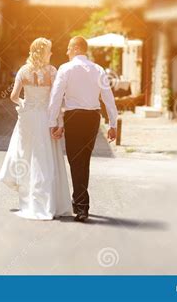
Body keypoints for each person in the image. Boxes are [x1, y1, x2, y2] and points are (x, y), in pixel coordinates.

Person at [0, 37, 72, 220]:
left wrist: (25, 103)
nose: (52, 53)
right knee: (45, 157)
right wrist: (59, 120)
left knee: (27, 156)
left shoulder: (23, 71)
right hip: (46, 117)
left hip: (28, 118)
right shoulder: (52, 72)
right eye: (49, 50)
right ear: (43, 52)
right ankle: (47, 202)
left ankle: (29, 200)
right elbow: (56, 99)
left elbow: (14, 96)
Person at [48, 36, 118, 222]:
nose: (66, 52)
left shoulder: (65, 68)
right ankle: (79, 202)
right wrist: (113, 124)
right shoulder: (99, 69)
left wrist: (52, 122)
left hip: (74, 117)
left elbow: (56, 96)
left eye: (69, 49)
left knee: (75, 159)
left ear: (76, 48)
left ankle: (81, 207)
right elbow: (108, 97)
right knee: (83, 159)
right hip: (93, 117)